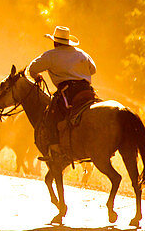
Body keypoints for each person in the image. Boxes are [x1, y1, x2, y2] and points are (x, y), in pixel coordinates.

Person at [26, 25, 98, 162]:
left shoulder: (51, 55)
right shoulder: (82, 54)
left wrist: (36, 76)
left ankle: (55, 149)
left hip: (68, 93)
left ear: (55, 42)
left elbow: (32, 68)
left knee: (51, 116)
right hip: (87, 91)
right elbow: (93, 70)